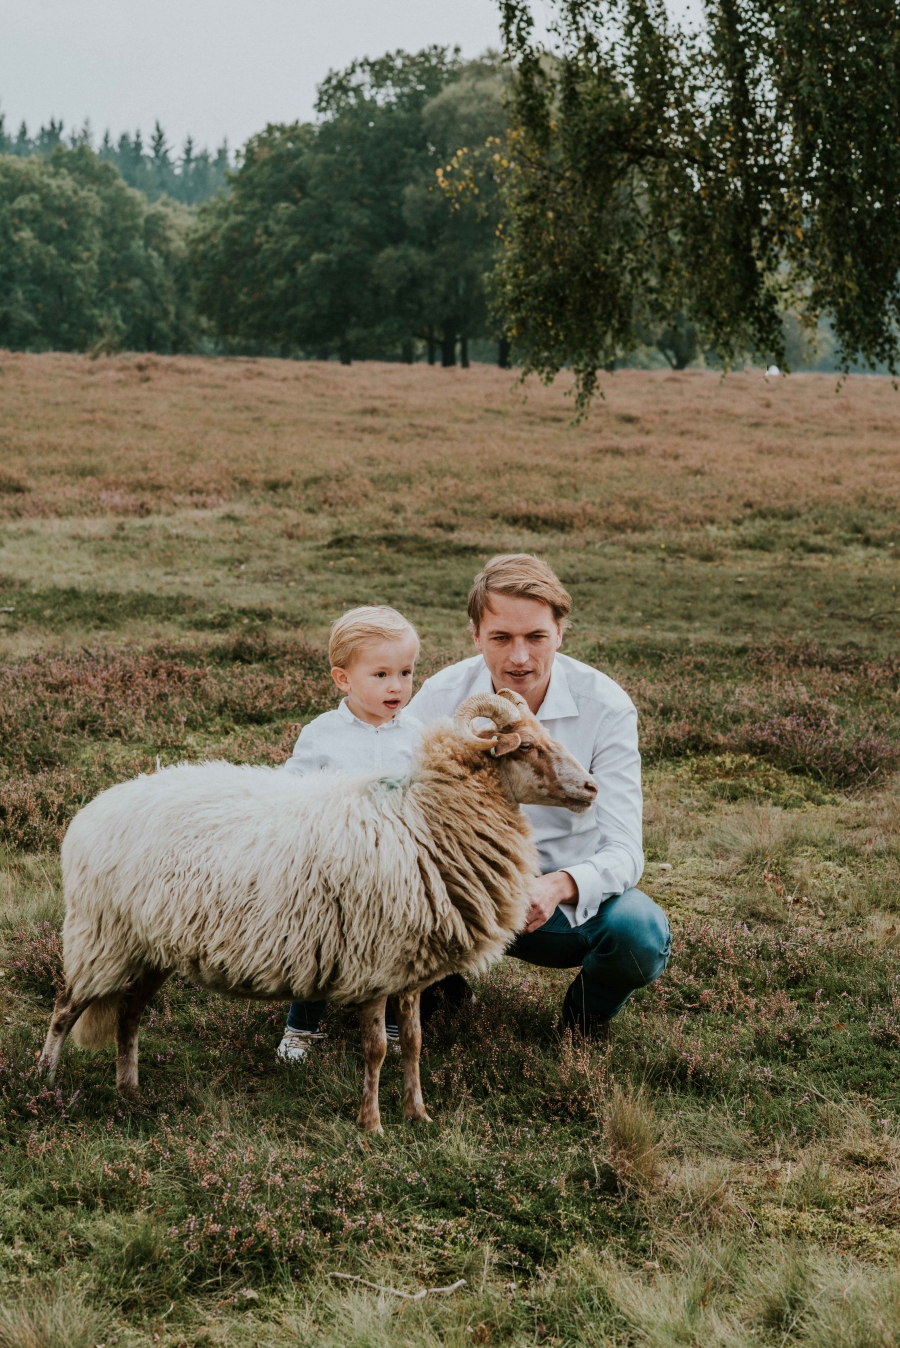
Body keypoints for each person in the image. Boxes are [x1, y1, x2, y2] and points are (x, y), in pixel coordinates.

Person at [408, 553, 671, 1039]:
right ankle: (433, 988)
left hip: (555, 905)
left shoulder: (605, 706)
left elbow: (624, 850)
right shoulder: (441, 697)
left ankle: (584, 1019)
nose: (519, 658)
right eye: (501, 638)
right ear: (475, 635)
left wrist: (557, 886)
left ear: (561, 632)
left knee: (639, 932)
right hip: (458, 896)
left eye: (536, 637)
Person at [276, 604, 423, 1063]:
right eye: (380, 674)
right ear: (343, 679)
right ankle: (303, 1026)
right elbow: (292, 788)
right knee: (322, 942)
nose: (396, 685)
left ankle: (396, 1026)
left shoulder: (419, 734)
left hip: (399, 865)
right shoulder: (322, 734)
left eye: (405, 672)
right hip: (336, 862)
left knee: (401, 945)